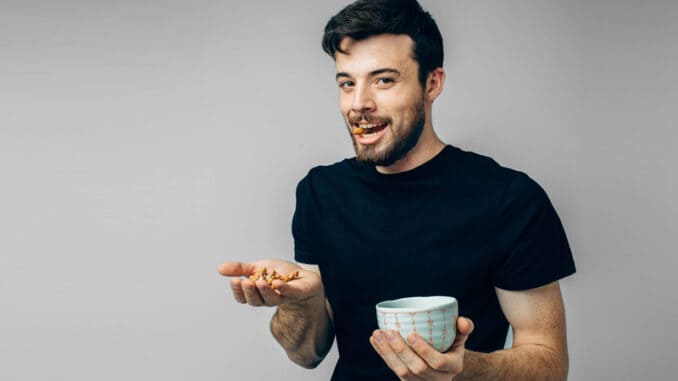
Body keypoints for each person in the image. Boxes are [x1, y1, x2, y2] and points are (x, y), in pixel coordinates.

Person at [218, 0, 576, 379]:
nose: (359, 104)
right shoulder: (320, 193)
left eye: (384, 80)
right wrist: (300, 302)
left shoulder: (510, 199)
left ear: (432, 83)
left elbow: (550, 364)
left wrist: (464, 370)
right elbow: (306, 353)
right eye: (347, 83)